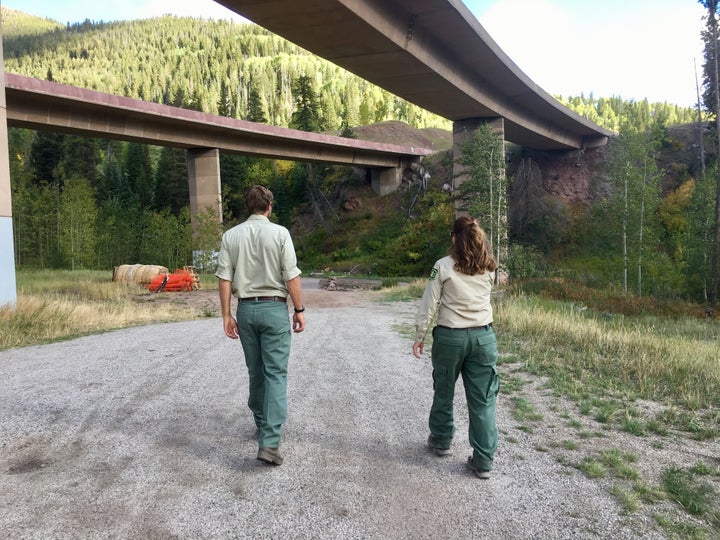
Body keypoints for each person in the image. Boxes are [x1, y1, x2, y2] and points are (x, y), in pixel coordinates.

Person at [215, 185, 305, 466]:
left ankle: (261, 419)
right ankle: (269, 441)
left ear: (248, 206)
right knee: (275, 372)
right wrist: (299, 309)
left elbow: (224, 278)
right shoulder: (280, 234)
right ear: (269, 206)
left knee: (255, 370)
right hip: (274, 307)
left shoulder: (230, 236)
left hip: (245, 310)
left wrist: (226, 315)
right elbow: (291, 276)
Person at [412, 216, 500, 479]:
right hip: (483, 338)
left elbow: (429, 304)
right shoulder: (490, 267)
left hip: (451, 337)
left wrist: (420, 335)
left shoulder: (442, 266)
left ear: (454, 238)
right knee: (483, 399)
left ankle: (441, 440)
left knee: (444, 389)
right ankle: (483, 460)